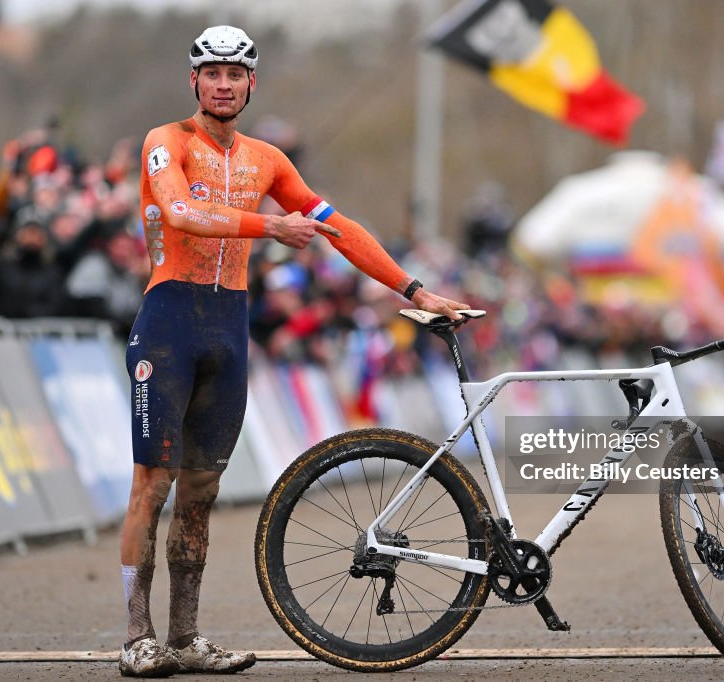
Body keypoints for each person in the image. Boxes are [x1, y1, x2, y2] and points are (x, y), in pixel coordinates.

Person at [118, 25, 469, 677]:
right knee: (153, 484)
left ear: (252, 83)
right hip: (169, 322)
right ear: (193, 80)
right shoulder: (166, 143)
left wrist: (415, 288)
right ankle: (138, 637)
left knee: (201, 489)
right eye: (212, 74)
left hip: (230, 325)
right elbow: (180, 210)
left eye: (235, 75)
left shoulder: (267, 160)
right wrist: (269, 225)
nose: (223, 84)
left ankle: (185, 637)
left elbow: (338, 228)